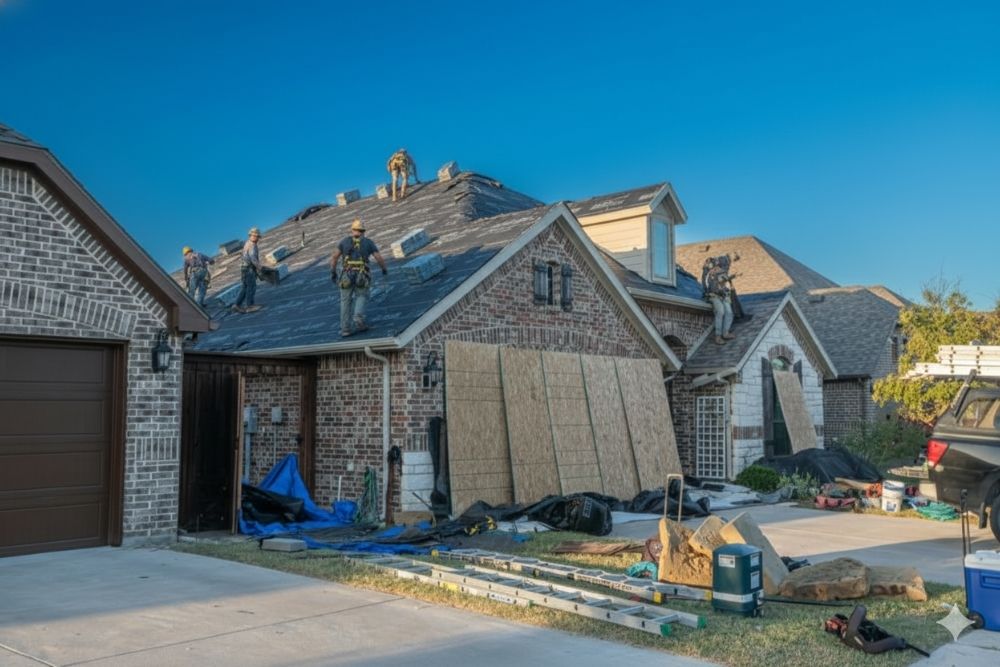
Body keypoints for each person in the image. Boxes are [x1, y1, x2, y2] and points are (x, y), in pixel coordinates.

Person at [330, 219, 387, 336]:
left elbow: (334, 257)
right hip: (362, 275)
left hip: (346, 274)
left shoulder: (345, 242)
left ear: (352, 230)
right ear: (363, 231)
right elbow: (378, 257)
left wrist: (333, 272)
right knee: (362, 295)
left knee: (345, 301)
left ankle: (345, 329)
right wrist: (384, 269)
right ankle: (358, 317)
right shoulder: (368, 242)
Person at [702, 255, 736, 344]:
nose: (718, 268)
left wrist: (726, 289)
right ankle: (718, 335)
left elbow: (724, 284)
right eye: (716, 266)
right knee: (720, 311)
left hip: (723, 296)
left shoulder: (724, 272)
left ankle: (725, 332)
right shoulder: (710, 274)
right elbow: (706, 283)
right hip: (713, 296)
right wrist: (706, 269)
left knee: (729, 312)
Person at [234, 227, 263, 313]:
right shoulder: (252, 245)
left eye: (257, 236)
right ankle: (249, 306)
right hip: (249, 269)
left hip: (244, 268)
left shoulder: (247, 243)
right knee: (251, 286)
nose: (257, 238)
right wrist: (259, 267)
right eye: (256, 236)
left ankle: (237, 305)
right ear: (251, 236)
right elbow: (253, 258)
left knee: (245, 287)